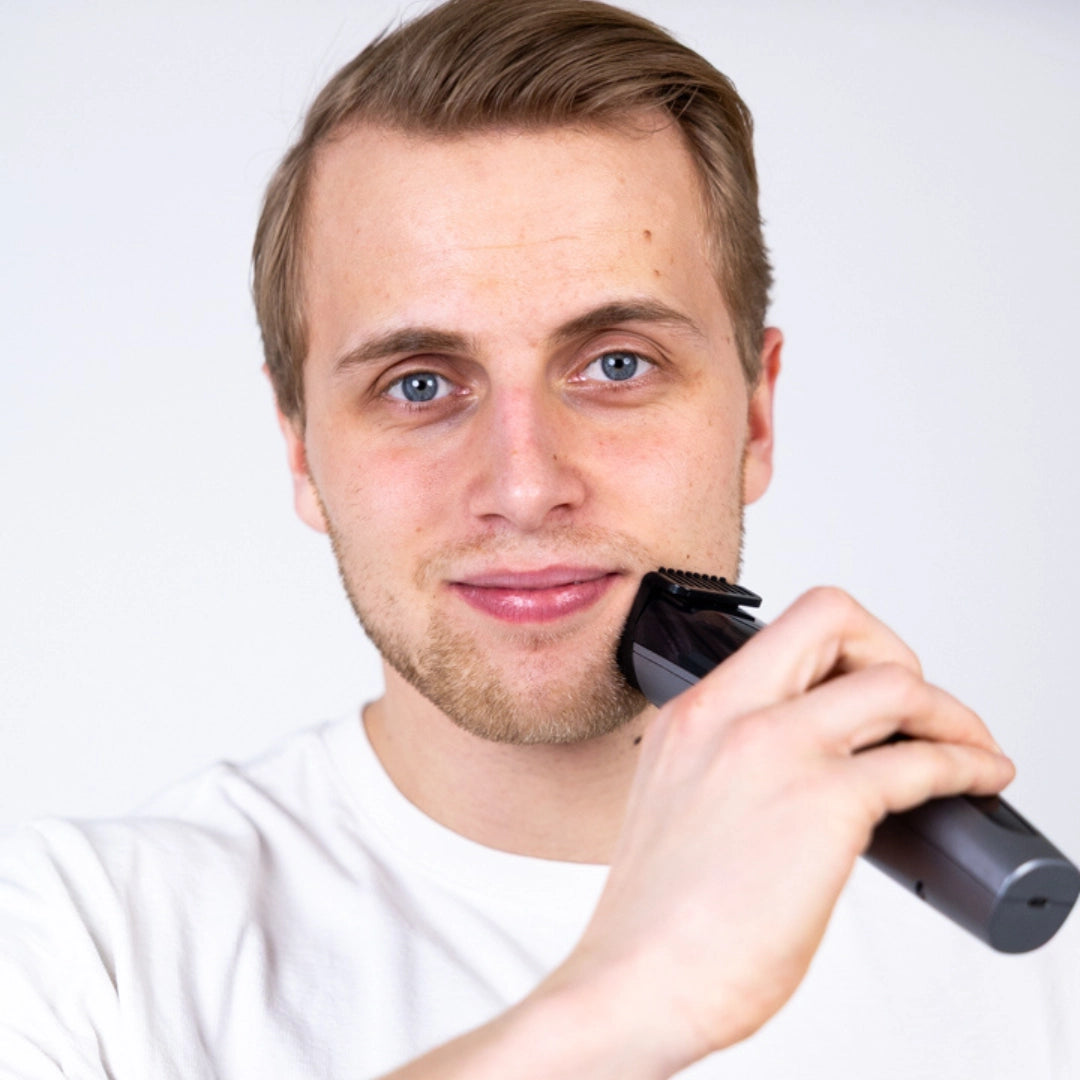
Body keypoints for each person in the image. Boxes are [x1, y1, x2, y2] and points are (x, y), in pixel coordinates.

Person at [1, 1, 1076, 1077]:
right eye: (418, 385)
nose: (524, 485)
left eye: (616, 364)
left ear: (755, 415)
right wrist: (628, 999)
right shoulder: (77, 955)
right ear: (301, 455)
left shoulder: (1028, 955)